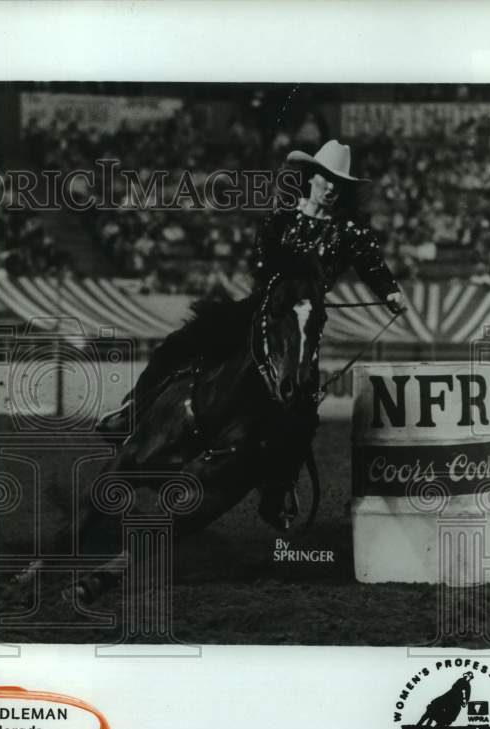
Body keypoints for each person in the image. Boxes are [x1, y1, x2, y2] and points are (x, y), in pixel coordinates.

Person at [99, 140, 406, 529]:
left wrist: (391, 291)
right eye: (326, 180)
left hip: (303, 321)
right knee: (178, 346)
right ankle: (131, 412)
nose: (331, 188)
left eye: (338, 184)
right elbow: (262, 265)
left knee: (304, 410)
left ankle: (280, 487)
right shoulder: (279, 219)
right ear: (311, 178)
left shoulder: (350, 232)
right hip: (264, 309)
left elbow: (372, 264)